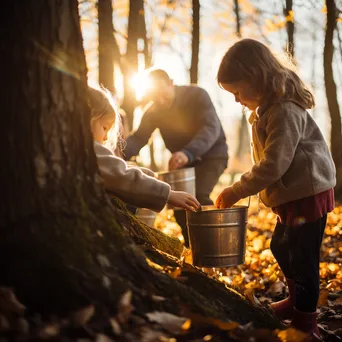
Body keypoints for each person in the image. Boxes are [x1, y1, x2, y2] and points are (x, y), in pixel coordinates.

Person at [215, 39, 336, 338]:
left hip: (307, 193)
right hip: (292, 195)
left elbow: (274, 164)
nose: (236, 100)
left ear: (257, 78)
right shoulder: (265, 110)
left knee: (303, 258)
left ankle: (305, 324)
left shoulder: (284, 110)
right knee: (281, 246)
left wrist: (237, 189)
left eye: (237, 92)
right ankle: (296, 301)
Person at [123, 69, 229, 244]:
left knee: (199, 196)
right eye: (155, 97)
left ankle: (214, 246)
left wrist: (188, 153)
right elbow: (138, 138)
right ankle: (194, 249)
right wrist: (117, 153)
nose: (160, 101)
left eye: (163, 94)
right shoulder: (153, 111)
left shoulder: (197, 95)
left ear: (171, 83)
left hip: (212, 155)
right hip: (183, 163)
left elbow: (210, 128)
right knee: (181, 203)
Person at [88, 86, 200, 214]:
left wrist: (149, 176)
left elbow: (117, 171)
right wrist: (169, 194)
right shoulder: (90, 150)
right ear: (89, 118)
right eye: (104, 127)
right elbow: (121, 176)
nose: (106, 137)